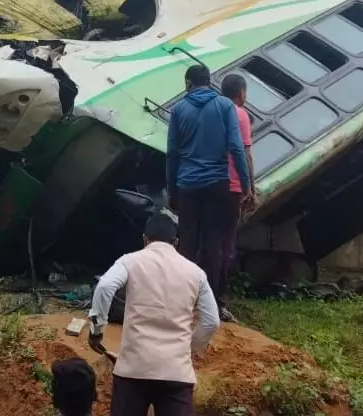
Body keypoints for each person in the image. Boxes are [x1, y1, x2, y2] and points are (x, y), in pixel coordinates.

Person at [89, 214, 219, 416]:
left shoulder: (130, 261)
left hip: (133, 369)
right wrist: (188, 348)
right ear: (176, 242)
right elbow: (211, 322)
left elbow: (105, 286)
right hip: (176, 373)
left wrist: (96, 332)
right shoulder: (196, 273)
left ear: (144, 239)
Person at [165, 64, 250, 310]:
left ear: (188, 83)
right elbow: (237, 148)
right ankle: (208, 301)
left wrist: (172, 189)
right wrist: (245, 184)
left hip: (188, 185)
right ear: (209, 81)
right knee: (213, 243)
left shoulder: (179, 109)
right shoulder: (225, 106)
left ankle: (182, 299)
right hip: (217, 184)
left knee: (187, 243)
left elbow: (172, 153)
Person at [218, 73, 255, 322]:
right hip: (230, 187)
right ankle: (217, 301)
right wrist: (249, 187)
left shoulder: (210, 113)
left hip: (204, 184)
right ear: (241, 93)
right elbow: (245, 154)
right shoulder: (240, 115)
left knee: (205, 242)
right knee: (226, 246)